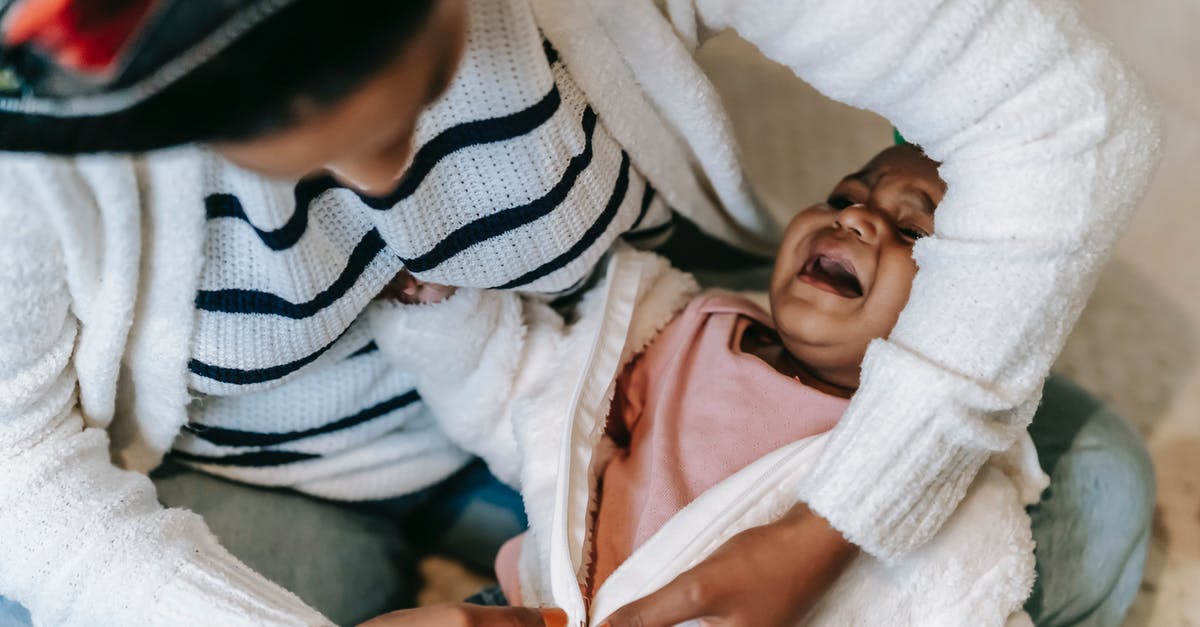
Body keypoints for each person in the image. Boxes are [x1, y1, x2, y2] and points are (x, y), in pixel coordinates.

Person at [0, 0, 1159, 625]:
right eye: (292, 154)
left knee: (1090, 484)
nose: (387, 193)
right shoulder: (31, 102)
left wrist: (833, 530)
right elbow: (20, 472)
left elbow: (1063, 121)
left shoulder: (683, 331)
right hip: (260, 476)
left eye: (404, 111)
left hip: (602, 378)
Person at [364, 143, 1048, 626]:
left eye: (909, 230)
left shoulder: (916, 457)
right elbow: (539, 398)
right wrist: (448, 315)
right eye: (844, 195)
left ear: (971, 325)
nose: (856, 217)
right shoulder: (691, 324)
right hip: (534, 612)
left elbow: (965, 599)